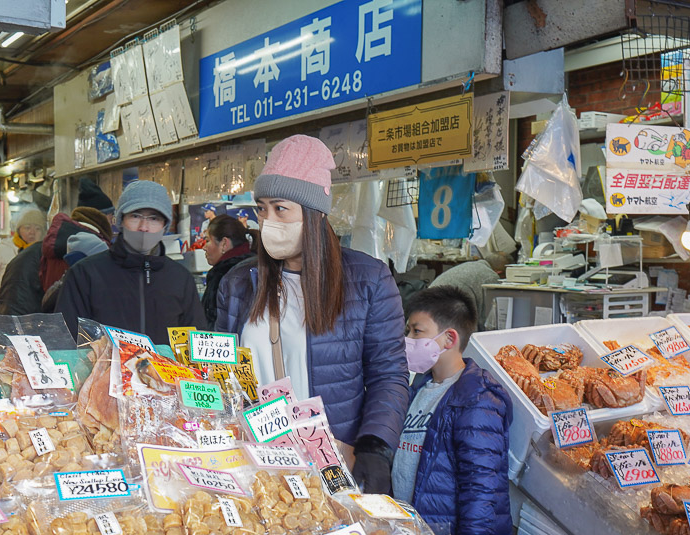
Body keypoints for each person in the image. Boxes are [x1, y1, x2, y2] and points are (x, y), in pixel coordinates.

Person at [216, 135, 408, 494]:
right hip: (256, 461)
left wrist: (375, 448)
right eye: (261, 209)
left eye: (281, 208)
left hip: (334, 458)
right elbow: (221, 373)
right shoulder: (239, 284)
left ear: (314, 214)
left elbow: (389, 374)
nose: (268, 220)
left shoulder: (367, 280)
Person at [398, 285, 513, 535]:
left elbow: (481, 484)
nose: (408, 339)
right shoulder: (421, 387)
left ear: (449, 338)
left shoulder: (476, 399)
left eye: (416, 331)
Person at [55, 180, 206, 343]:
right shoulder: (85, 274)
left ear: (165, 225)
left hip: (164, 369)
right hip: (103, 368)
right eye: (135, 216)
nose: (144, 227)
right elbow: (65, 339)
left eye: (154, 218)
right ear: (120, 221)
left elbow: (196, 343)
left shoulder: (181, 279)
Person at [41, 193, 113, 292]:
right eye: (110, 215)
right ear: (103, 217)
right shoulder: (93, 245)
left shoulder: (52, 242)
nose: (112, 221)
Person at [202, 215, 257, 328]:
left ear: (224, 243)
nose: (204, 247)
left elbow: (213, 324)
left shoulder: (222, 275)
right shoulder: (258, 266)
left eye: (207, 240)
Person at [0, 207, 46, 298]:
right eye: (27, 228)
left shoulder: (45, 254)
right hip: (3, 306)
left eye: (37, 228)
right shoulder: (0, 251)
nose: (32, 232)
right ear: (19, 230)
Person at [429, 259, 500, 329]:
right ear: (499, 272)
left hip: (427, 303)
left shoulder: (468, 266)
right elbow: (487, 319)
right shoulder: (491, 276)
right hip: (452, 307)